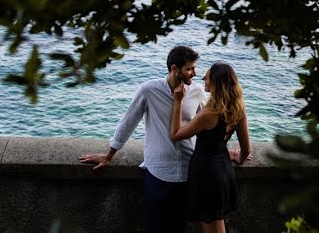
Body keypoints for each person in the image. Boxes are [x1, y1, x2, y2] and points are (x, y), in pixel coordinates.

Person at [79, 45, 205, 233]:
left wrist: (225, 151)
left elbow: (207, 126)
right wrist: (109, 154)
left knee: (181, 227)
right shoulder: (149, 90)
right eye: (189, 68)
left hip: (189, 170)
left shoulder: (197, 91)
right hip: (159, 172)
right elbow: (128, 121)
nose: (194, 73)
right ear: (174, 69)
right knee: (156, 227)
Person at [170, 61, 251, 233]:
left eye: (207, 76)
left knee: (208, 224)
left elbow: (175, 135)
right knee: (217, 220)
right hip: (224, 169)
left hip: (206, 173)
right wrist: (238, 158)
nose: (203, 78)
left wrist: (178, 102)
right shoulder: (238, 109)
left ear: (216, 82)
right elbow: (246, 149)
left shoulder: (208, 114)